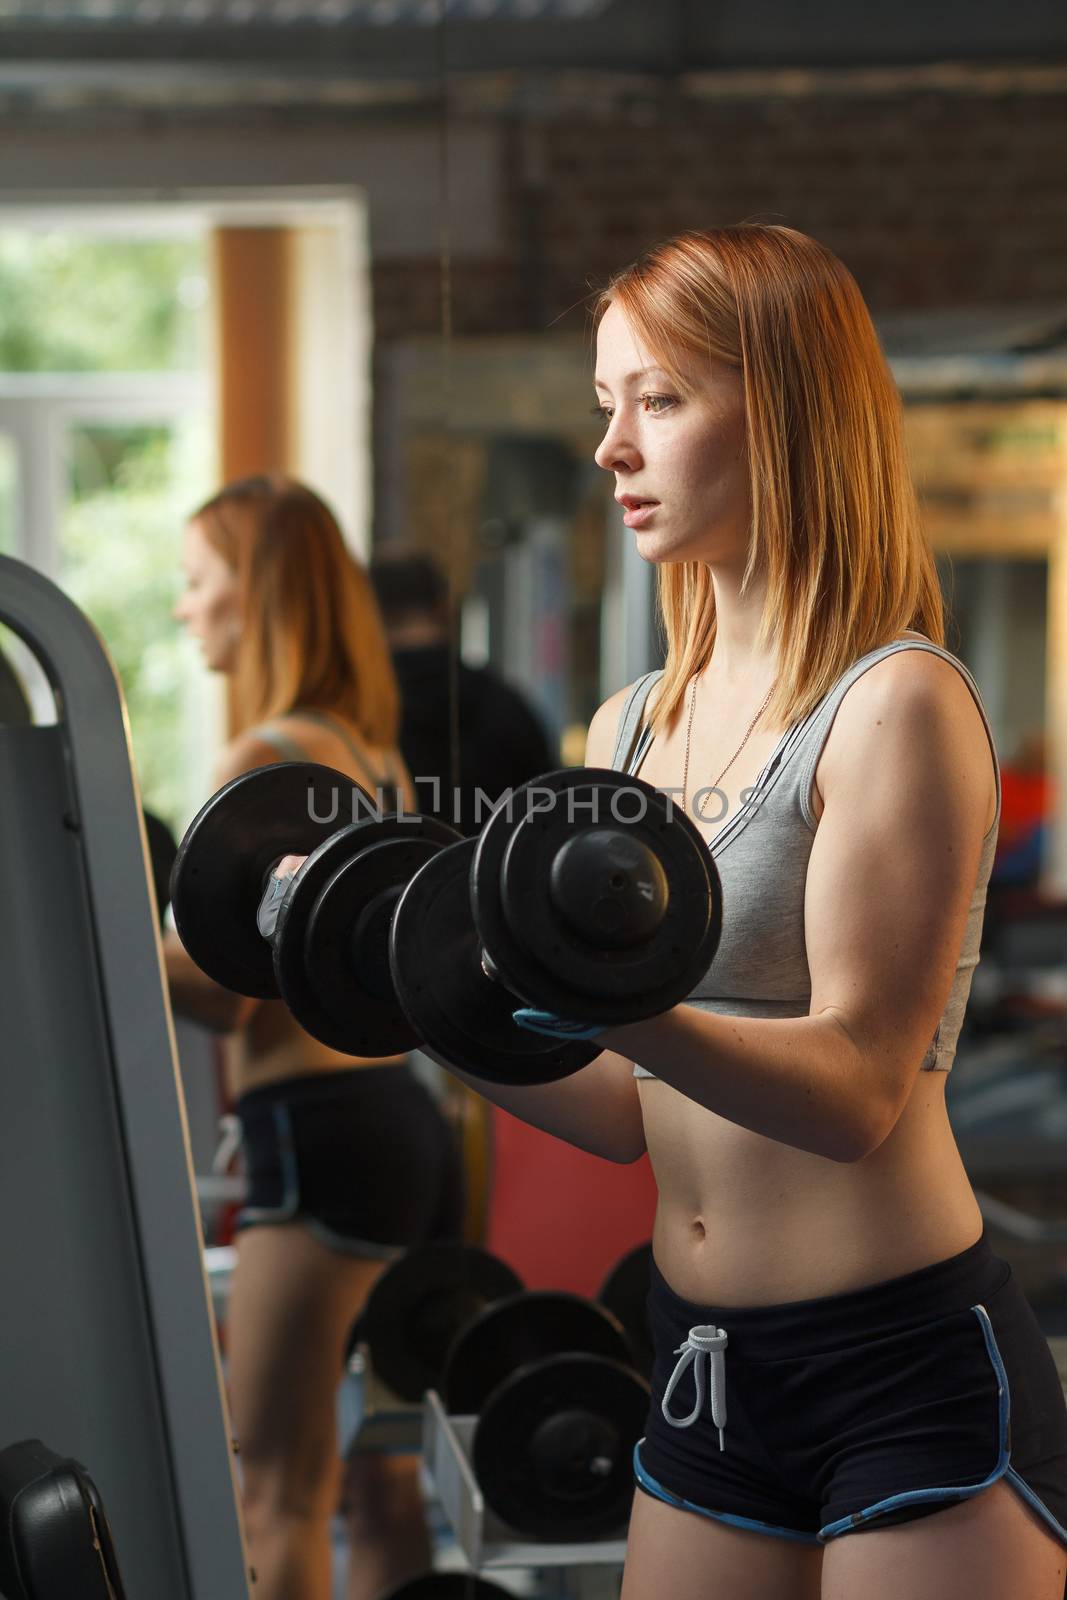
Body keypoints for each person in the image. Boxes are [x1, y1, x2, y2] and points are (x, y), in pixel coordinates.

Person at [425, 227, 1067, 1598]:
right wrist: (421, 997)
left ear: (780, 415)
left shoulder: (892, 704)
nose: (612, 449)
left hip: (898, 1372)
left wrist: (620, 1004)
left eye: (656, 400)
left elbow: (850, 1092)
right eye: (608, 406)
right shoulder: (629, 727)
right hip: (701, 1369)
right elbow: (619, 1105)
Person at [165, 476, 461, 1600]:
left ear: (262, 593)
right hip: (400, 1126)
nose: (185, 606)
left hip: (320, 1137)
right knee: (382, 1486)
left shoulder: (260, 761)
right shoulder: (360, 754)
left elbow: (238, 993)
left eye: (199, 580)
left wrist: (104, 938)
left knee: (276, 1492)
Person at [369, 548, 555, 834]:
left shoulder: (360, 715)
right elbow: (549, 814)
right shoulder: (505, 705)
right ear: (444, 607)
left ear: (366, 615)